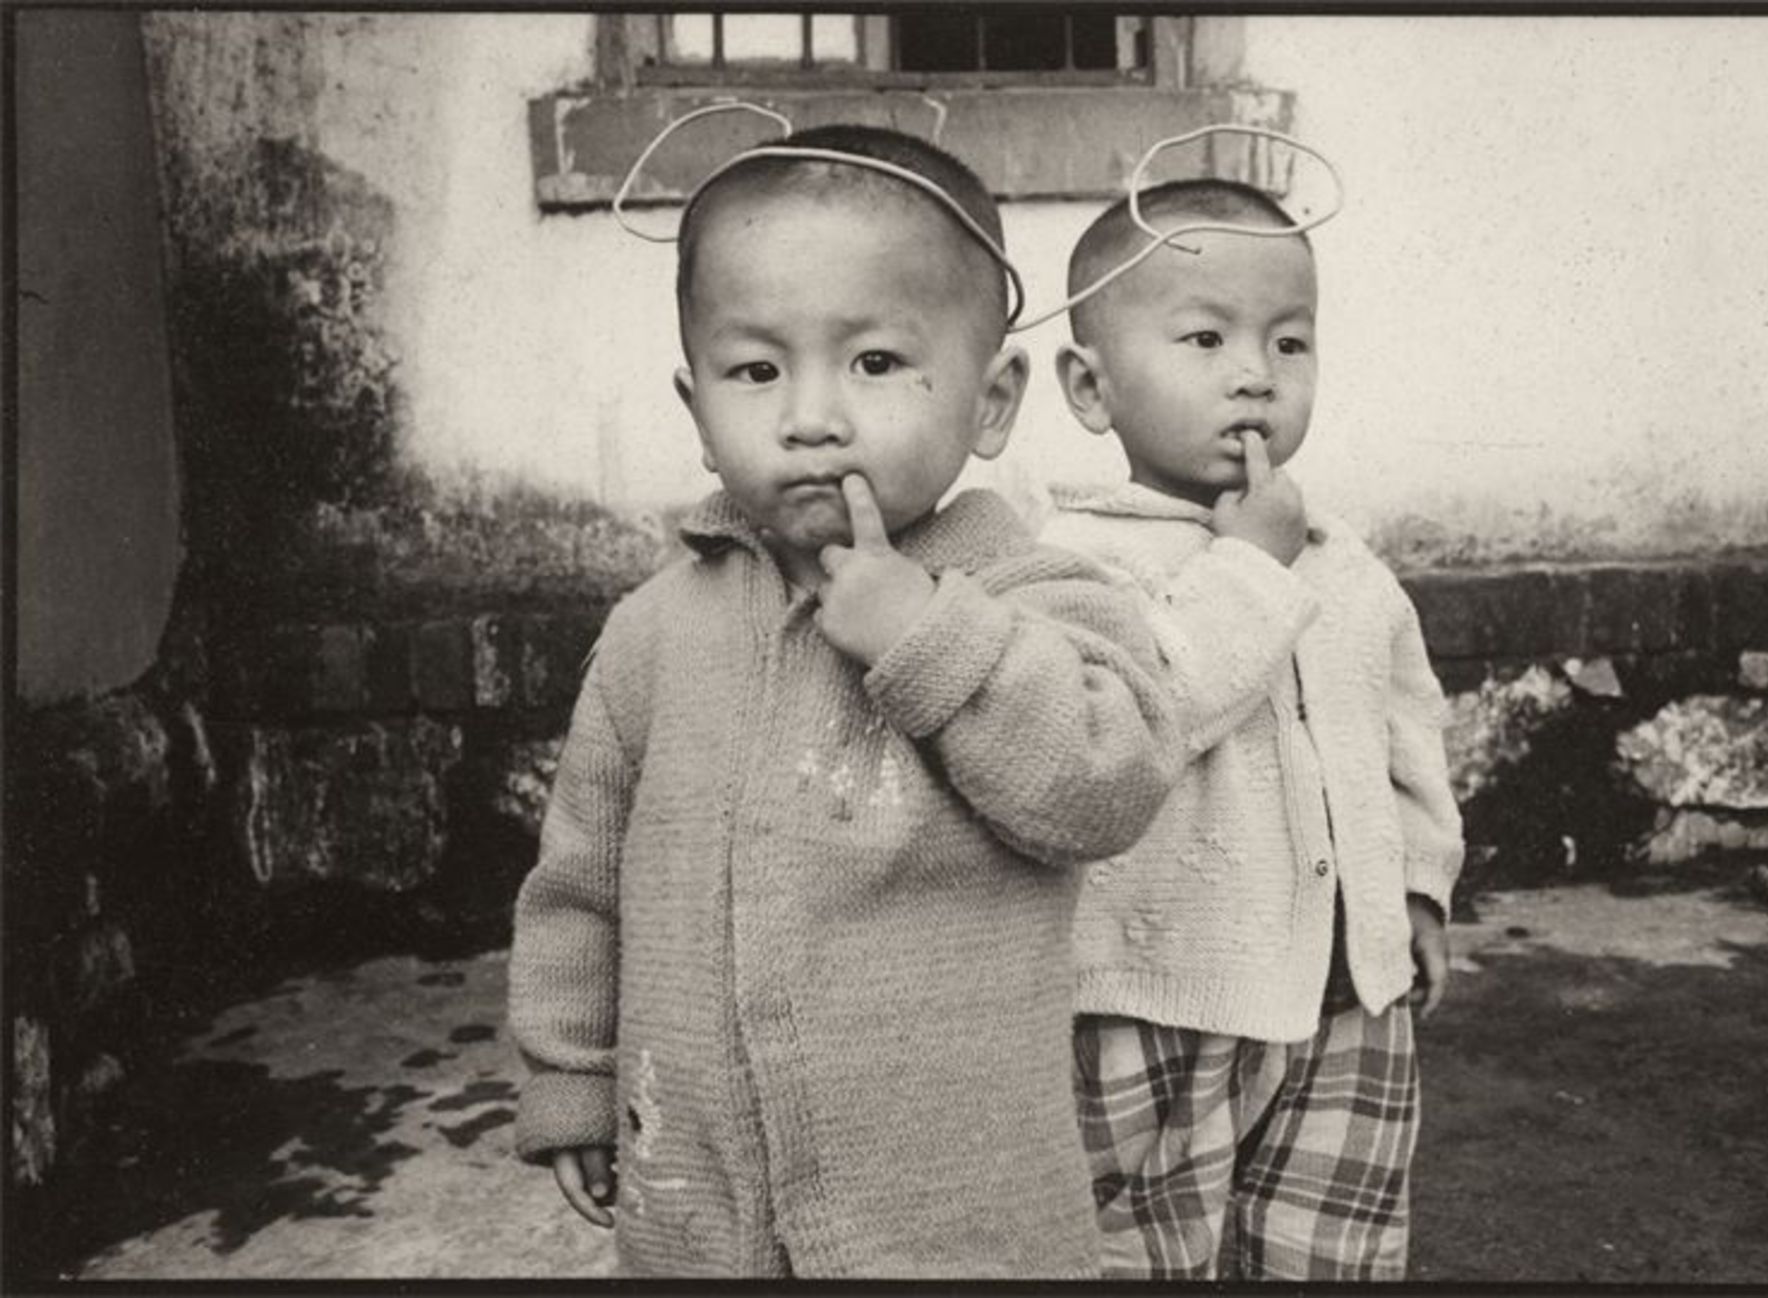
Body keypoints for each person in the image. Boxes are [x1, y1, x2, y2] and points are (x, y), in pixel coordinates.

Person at [506, 123, 1181, 1279]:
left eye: (874, 362)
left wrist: (925, 631)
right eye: (756, 369)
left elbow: (1107, 783)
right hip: (701, 1208)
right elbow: (580, 876)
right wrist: (571, 1073)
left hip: (960, 1224)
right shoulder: (657, 632)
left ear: (992, 397)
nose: (809, 415)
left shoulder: (1031, 593)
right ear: (696, 400)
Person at [1041, 178, 1464, 1280]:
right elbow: (1143, 718)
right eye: (1203, 337)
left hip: (1345, 999)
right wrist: (1249, 564)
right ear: (1091, 386)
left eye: (1290, 341)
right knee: (1136, 1251)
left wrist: (1416, 883)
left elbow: (1402, 733)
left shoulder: (1345, 560)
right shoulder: (1074, 565)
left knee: (1335, 1245)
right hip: (1149, 995)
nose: (1254, 375)